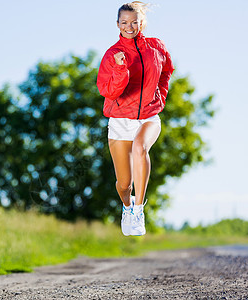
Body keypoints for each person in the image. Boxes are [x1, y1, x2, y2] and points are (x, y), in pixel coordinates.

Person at [96, 1, 175, 236]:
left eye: (134, 22)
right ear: (117, 24)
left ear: (142, 23)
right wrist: (121, 69)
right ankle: (127, 205)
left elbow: (167, 71)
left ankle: (138, 210)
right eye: (124, 22)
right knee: (123, 184)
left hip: (149, 116)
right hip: (120, 121)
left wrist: (159, 96)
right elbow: (107, 91)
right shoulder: (112, 54)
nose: (129, 26)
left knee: (141, 147)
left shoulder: (156, 46)